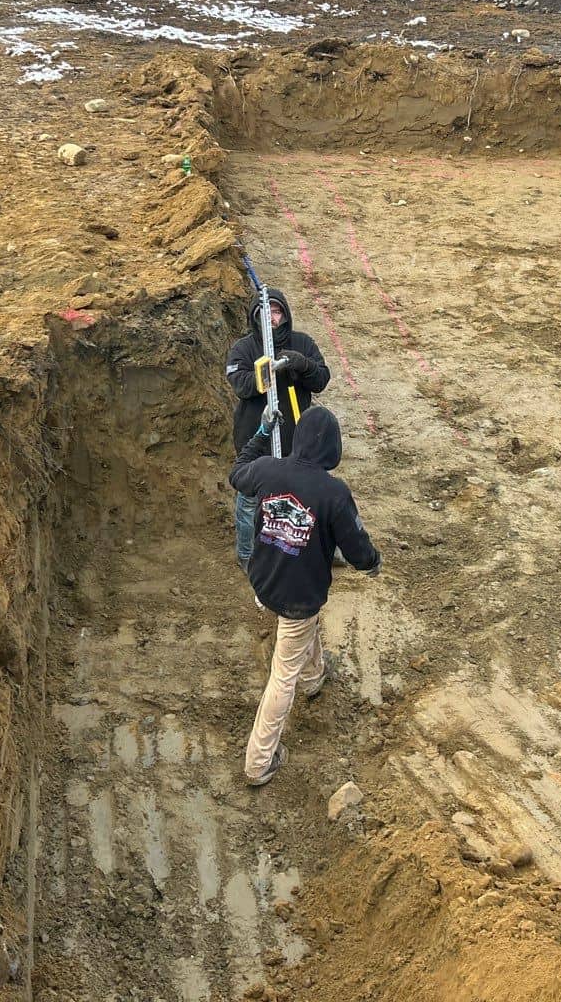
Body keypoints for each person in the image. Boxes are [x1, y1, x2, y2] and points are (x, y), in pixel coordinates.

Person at [228, 405, 380, 785]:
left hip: (264, 581)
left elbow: (237, 475)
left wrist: (262, 434)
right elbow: (356, 544)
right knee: (283, 675)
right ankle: (258, 762)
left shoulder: (267, 470)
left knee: (301, 635)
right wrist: (371, 564)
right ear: (333, 448)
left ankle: (314, 678)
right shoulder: (333, 494)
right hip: (298, 597)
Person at [224, 288, 329, 564]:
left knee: (304, 496)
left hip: (297, 437)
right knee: (250, 499)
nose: (272, 317)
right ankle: (248, 555)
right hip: (255, 437)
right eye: (265, 312)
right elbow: (240, 385)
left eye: (277, 311)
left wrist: (303, 365)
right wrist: (264, 376)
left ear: (285, 314)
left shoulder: (303, 343)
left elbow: (321, 379)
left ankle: (311, 546)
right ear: (255, 316)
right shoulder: (242, 349)